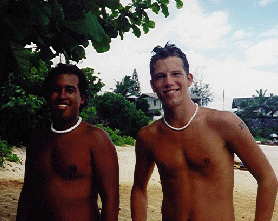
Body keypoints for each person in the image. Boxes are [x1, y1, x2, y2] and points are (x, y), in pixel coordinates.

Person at [131, 43, 278, 221]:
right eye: (161, 76)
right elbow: (139, 189)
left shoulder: (224, 123)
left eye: (176, 74)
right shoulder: (149, 136)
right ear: (153, 85)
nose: (169, 82)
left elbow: (267, 178)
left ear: (189, 78)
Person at [16, 64, 119, 221]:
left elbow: (111, 200)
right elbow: (27, 194)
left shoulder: (96, 139)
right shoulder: (38, 139)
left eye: (70, 90)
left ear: (82, 98)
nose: (62, 96)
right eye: (56, 89)